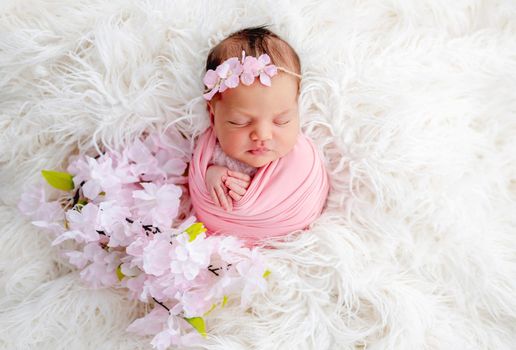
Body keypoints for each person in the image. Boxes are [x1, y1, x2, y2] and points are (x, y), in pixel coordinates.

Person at [188, 25, 330, 247]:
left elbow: (309, 190)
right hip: (221, 251)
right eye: (240, 122)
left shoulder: (301, 159)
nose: (262, 135)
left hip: (291, 246)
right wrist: (212, 176)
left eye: (281, 120)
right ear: (212, 114)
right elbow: (194, 181)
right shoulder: (210, 151)